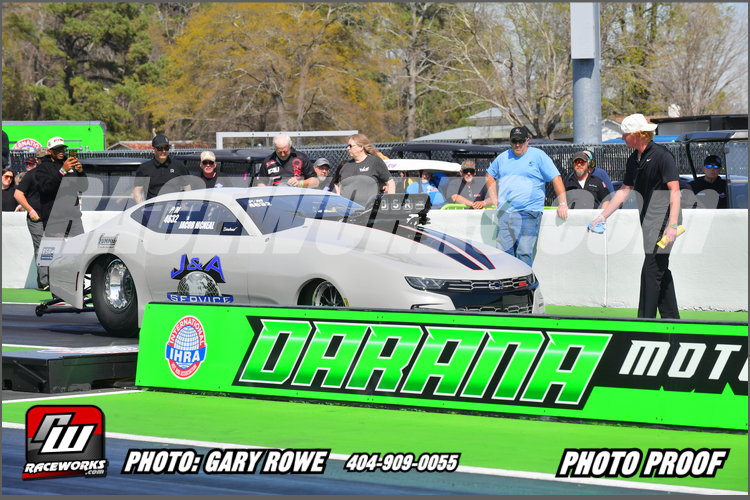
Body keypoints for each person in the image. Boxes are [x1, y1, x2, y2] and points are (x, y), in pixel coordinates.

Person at [588, 113, 682, 319]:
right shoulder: (633, 159)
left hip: (666, 223)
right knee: (660, 271)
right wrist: (602, 217)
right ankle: (673, 322)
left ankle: (643, 323)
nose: (622, 138)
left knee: (650, 270)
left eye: (625, 134)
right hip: (648, 223)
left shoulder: (662, 156)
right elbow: (624, 191)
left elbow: (675, 191)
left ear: (638, 134)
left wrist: (673, 224)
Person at [485, 126, 568, 267]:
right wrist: (494, 198)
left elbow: (556, 178)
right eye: (514, 141)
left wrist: (563, 203)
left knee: (524, 252)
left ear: (527, 141)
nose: (518, 144)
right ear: (510, 141)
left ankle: (524, 281)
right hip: (505, 212)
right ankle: (509, 281)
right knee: (504, 254)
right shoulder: (502, 158)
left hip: (529, 212)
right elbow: (489, 175)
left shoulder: (538, 156)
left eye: (521, 141)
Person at [36, 137, 88, 238]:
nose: (61, 151)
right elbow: (45, 188)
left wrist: (81, 172)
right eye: (57, 149)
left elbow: (83, 188)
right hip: (54, 221)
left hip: (74, 219)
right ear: (49, 151)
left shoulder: (69, 164)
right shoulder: (43, 167)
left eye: (62, 148)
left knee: (80, 246)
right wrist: (63, 171)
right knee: (58, 248)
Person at [14, 160, 48, 289]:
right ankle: (46, 282)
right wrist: (31, 211)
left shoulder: (55, 174)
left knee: (50, 247)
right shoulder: (30, 175)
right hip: (36, 218)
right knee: (41, 247)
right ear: (38, 161)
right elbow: (18, 194)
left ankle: (42, 281)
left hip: (51, 217)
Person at [336, 133, 395, 205]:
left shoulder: (374, 161)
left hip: (368, 210)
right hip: (345, 209)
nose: (348, 148)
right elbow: (339, 191)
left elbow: (390, 183)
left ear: (361, 147)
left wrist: (390, 204)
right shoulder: (346, 167)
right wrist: (335, 208)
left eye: (350, 146)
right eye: (348, 146)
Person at [133, 135, 191, 203]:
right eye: (160, 148)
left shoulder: (179, 166)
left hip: (173, 208)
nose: (163, 151)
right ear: (153, 149)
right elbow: (137, 191)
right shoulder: (144, 168)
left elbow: (187, 189)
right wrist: (142, 208)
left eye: (166, 148)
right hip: (152, 208)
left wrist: (184, 205)